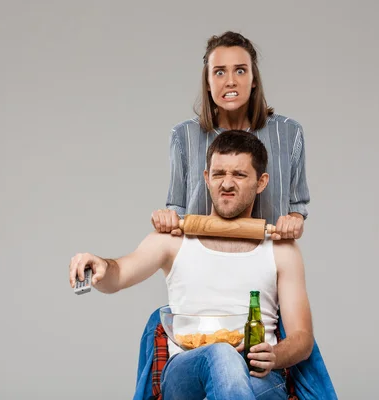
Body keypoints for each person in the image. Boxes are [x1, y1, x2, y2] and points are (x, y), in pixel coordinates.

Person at [70, 131, 314, 399]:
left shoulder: (281, 250)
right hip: (185, 372)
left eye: (240, 175)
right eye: (219, 174)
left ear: (261, 182)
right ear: (207, 177)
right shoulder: (173, 241)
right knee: (220, 353)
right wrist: (101, 266)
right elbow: (117, 276)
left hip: (258, 375)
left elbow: (302, 338)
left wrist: (274, 355)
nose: (227, 184)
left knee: (235, 378)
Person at [152, 31, 310, 241]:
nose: (230, 81)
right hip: (202, 264)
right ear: (207, 83)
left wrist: (294, 221)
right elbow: (177, 208)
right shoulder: (184, 136)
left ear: (254, 79)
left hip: (267, 262)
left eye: (240, 71)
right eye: (219, 72)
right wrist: (167, 219)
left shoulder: (289, 133)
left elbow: (296, 205)